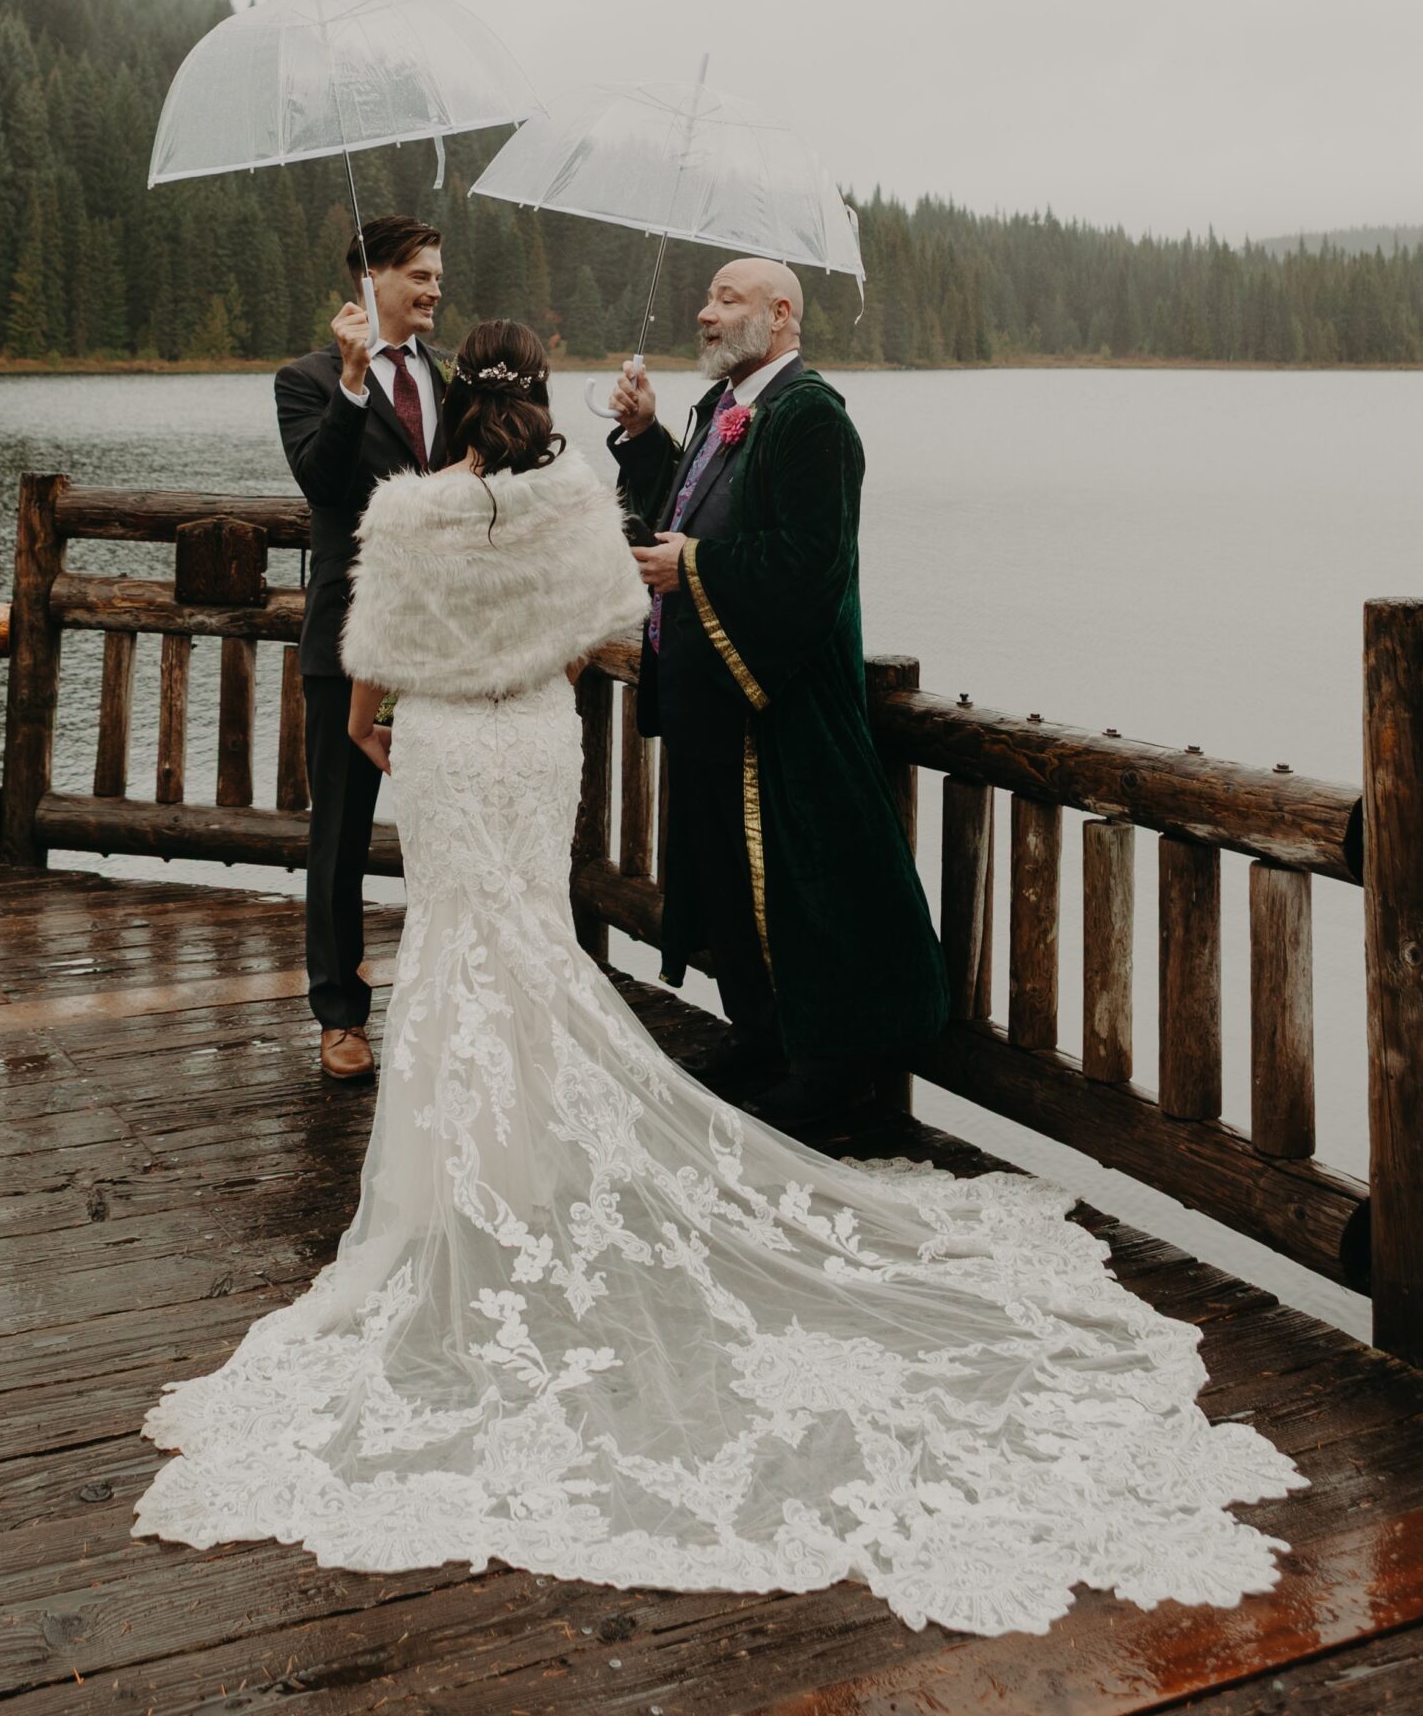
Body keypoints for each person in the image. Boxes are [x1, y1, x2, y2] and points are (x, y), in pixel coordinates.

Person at [136, 316, 1299, 1632]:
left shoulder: (404, 513)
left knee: (460, 949)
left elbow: (367, 687)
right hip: (536, 749)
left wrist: (397, 727)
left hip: (453, 757)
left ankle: (464, 1177)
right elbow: (596, 630)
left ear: (457, 403)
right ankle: (538, 1158)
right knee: (533, 942)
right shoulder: (576, 499)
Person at [611, 257, 948, 1125]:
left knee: (802, 885)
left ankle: (829, 1069)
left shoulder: (812, 420)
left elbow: (812, 568)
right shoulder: (724, 410)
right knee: (728, 879)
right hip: (715, 700)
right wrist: (650, 436)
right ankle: (760, 1034)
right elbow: (688, 509)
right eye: (709, 298)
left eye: (727, 300)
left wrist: (692, 565)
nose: (705, 313)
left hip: (782, 706)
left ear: (782, 315)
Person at [274, 215, 448, 1082]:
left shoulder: (442, 377)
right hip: (348, 637)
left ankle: (448, 997)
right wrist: (349, 384)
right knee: (340, 835)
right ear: (370, 278)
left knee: (448, 822)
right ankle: (339, 1015)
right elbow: (322, 484)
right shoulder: (304, 379)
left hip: (441, 639)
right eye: (418, 274)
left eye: (438, 276)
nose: (434, 289)